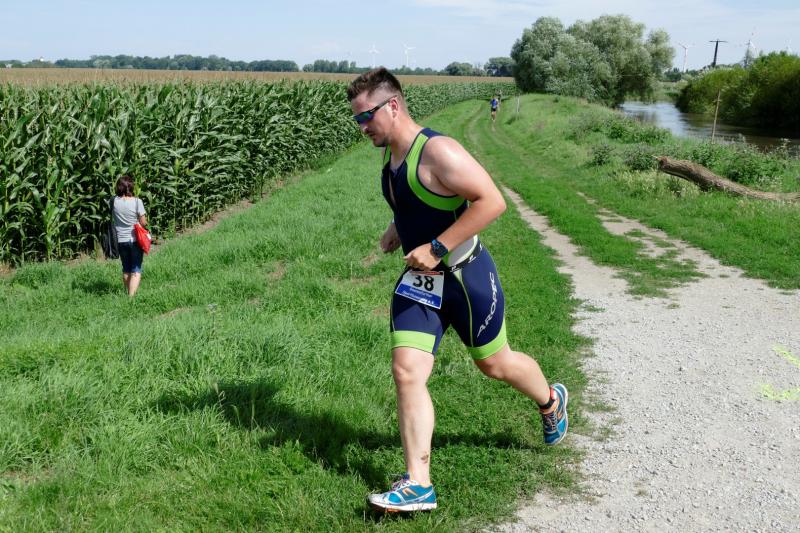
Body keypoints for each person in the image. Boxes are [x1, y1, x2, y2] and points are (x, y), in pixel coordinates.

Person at [347, 68, 568, 513]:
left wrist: (437, 247)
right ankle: (418, 483)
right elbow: (422, 201)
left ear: (393, 106)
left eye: (366, 116)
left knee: (496, 365)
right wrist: (397, 228)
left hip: (466, 279)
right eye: (357, 119)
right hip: (420, 284)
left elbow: (492, 201)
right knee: (407, 371)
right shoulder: (392, 158)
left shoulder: (439, 150)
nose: (362, 127)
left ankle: (551, 400)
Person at [112, 175, 147, 297]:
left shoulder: (114, 201)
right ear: (131, 187)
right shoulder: (137, 202)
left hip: (120, 240)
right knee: (136, 268)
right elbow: (143, 222)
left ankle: (128, 293)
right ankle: (131, 298)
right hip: (135, 239)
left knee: (126, 268)